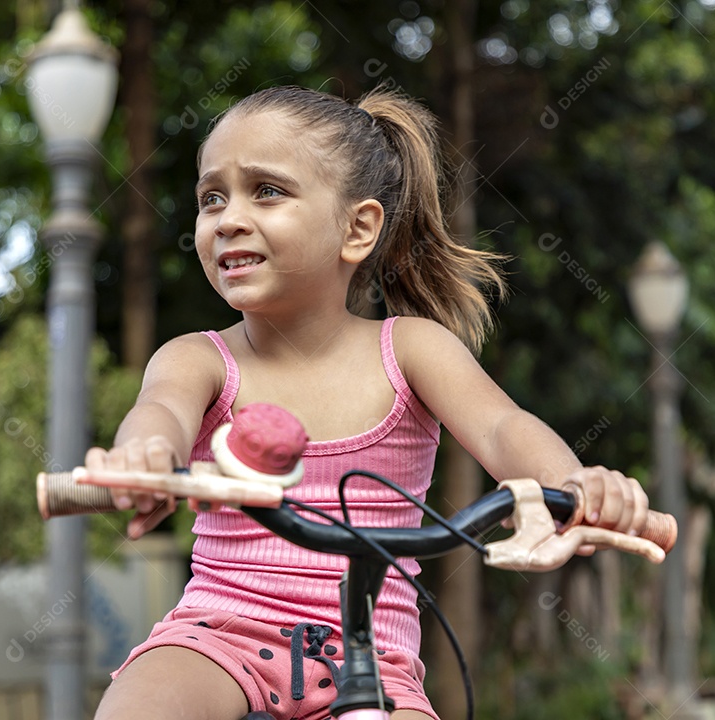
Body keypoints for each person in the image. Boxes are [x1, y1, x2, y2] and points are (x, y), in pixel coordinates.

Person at [88, 84, 649, 720]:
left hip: (374, 658)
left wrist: (573, 485)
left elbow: (500, 428)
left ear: (358, 228)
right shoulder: (198, 358)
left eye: (266, 191)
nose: (228, 218)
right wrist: (144, 454)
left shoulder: (410, 349)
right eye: (211, 197)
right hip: (220, 636)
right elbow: (161, 410)